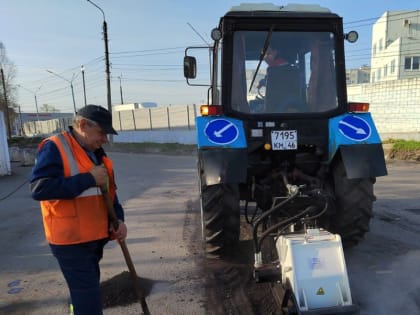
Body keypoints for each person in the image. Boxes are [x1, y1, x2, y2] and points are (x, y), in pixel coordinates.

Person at [29, 104, 127, 315]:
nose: (105, 139)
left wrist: (119, 219)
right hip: (71, 241)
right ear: (83, 125)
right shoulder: (54, 147)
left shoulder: (95, 153)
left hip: (93, 237)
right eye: (102, 132)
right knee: (89, 299)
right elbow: (39, 188)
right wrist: (88, 179)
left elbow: (109, 192)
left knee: (84, 294)